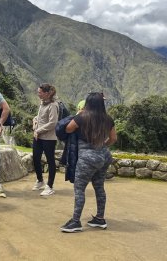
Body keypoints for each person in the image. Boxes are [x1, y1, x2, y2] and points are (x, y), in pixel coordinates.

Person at [60, 92, 117, 232]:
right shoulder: (108, 119)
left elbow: (68, 128)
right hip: (103, 157)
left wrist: (79, 115)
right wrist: (102, 145)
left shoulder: (82, 116)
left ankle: (75, 221)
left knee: (79, 189)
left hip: (86, 158)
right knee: (99, 187)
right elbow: (113, 138)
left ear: (88, 103)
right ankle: (100, 218)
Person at [32, 83, 59, 196]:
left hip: (49, 138)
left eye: (40, 92)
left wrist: (38, 130)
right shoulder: (42, 104)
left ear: (47, 93)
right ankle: (40, 180)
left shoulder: (53, 105)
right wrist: (35, 121)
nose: (38, 94)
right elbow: (39, 117)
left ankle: (50, 186)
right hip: (38, 137)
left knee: (50, 161)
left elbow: (53, 123)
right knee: (35, 158)